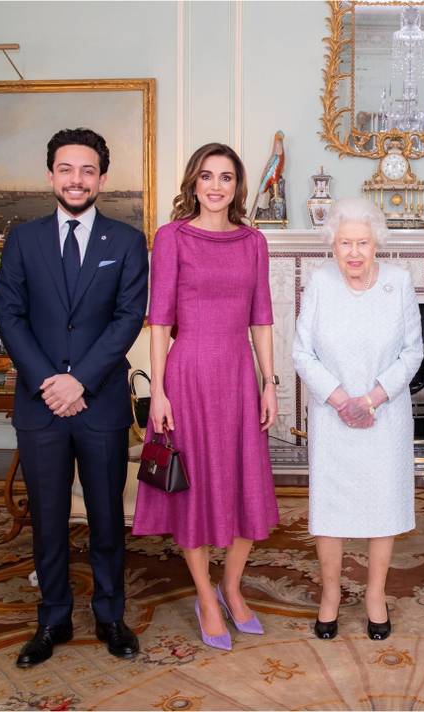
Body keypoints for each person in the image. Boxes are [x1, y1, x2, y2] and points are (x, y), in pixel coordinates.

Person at [0, 128, 148, 667]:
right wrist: (49, 382)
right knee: (49, 516)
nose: (76, 179)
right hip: (41, 405)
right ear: (51, 176)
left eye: (87, 170)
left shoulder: (127, 242)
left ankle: (111, 616)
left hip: (99, 402)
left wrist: (79, 380)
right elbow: (9, 315)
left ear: (102, 178)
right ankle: (53, 618)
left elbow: (128, 318)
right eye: (66, 168)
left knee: (107, 517)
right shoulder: (23, 239)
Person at [132, 143, 279, 652]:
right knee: (192, 491)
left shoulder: (254, 241)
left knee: (247, 486)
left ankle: (232, 587)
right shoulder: (171, 237)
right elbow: (159, 320)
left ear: (237, 187)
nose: (216, 186)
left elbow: (262, 316)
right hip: (188, 374)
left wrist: (270, 382)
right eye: (207, 176)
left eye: (226, 178)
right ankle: (205, 597)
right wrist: (159, 392)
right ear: (193, 182)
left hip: (239, 376)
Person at [292, 197, 423, 641]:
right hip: (333, 417)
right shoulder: (319, 282)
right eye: (345, 242)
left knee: (380, 506)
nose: (353, 252)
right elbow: (301, 352)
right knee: (331, 508)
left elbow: (413, 351)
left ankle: (374, 596)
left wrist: (372, 398)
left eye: (362, 243)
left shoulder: (400, 282)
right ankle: (330, 596)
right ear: (332, 244)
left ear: (376, 244)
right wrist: (340, 399)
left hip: (383, 415)